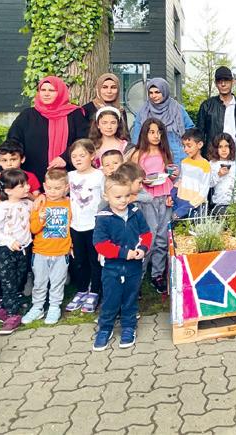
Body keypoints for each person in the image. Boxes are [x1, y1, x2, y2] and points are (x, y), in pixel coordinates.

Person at [92, 173, 153, 351]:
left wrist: (142, 249)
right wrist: (124, 253)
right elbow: (100, 244)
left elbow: (146, 234)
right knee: (110, 299)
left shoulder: (135, 212)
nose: (123, 200)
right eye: (118, 197)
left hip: (134, 267)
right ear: (106, 196)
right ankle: (105, 328)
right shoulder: (103, 217)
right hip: (112, 267)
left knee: (130, 298)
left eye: (127, 196)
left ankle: (128, 327)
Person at [7, 76, 90, 183]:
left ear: (60, 92)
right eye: (43, 90)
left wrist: (65, 157)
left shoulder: (74, 114)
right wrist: (1, 168)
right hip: (31, 178)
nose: (46, 94)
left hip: (67, 176)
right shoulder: (27, 115)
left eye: (51, 90)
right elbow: (12, 143)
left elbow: (83, 141)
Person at [129, 119, 176, 294]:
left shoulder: (165, 152)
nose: (156, 136)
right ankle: (138, 277)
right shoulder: (138, 154)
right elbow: (132, 177)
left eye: (159, 132)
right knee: (149, 236)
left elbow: (169, 177)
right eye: (152, 132)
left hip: (164, 197)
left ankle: (157, 275)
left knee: (162, 238)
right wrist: (143, 181)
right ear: (145, 133)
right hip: (147, 199)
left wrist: (172, 185)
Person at [23, 168, 71, 325]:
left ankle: (54, 307)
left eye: (57, 188)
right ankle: (37, 307)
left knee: (57, 282)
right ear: (44, 186)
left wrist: (72, 245)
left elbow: (73, 226)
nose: (53, 191)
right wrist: (41, 220)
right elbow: (33, 229)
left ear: (66, 187)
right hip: (41, 251)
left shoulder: (70, 203)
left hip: (61, 251)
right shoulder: (39, 204)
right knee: (39, 282)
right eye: (49, 188)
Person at [0, 169, 32, 335]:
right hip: (5, 251)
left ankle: (6, 306)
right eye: (21, 186)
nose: (27, 187)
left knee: (20, 278)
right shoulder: (2, 208)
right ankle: (12, 316)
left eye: (26, 183)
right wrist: (9, 241)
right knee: (9, 283)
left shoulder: (27, 204)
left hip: (24, 249)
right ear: (8, 190)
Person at [65, 139, 105, 314]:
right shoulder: (70, 176)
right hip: (76, 226)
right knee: (79, 260)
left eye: (82, 155)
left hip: (94, 225)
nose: (78, 159)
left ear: (92, 155)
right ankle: (82, 290)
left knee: (95, 260)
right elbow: (57, 192)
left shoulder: (99, 176)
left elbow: (106, 197)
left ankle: (95, 291)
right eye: (74, 156)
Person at [130, 77, 194, 167]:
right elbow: (137, 136)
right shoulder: (143, 111)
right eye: (151, 93)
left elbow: (190, 130)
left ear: (165, 91)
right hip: (151, 155)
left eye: (157, 92)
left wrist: (188, 148)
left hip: (176, 154)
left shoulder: (177, 108)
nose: (153, 96)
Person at [196, 66, 236, 147]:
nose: (223, 84)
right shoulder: (207, 106)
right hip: (213, 152)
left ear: (233, 81)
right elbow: (199, 134)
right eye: (219, 81)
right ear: (215, 83)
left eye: (226, 80)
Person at [0, 140, 42, 214]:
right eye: (4, 160)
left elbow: (38, 200)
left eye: (13, 159)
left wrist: (26, 194)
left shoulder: (30, 177)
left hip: (27, 217)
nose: (9, 164)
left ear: (22, 159)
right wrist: (4, 196)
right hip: (5, 218)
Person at [176, 128, 211, 219]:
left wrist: (188, 207)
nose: (185, 149)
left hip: (196, 207)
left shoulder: (205, 165)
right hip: (180, 203)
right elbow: (180, 180)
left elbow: (204, 191)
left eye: (189, 146)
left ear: (200, 145)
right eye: (184, 146)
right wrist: (172, 195)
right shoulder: (184, 162)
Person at [208, 133, 236, 216]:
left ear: (231, 147)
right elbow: (209, 184)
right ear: (215, 149)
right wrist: (219, 174)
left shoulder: (235, 163)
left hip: (235, 203)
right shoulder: (212, 164)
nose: (224, 150)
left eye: (226, 146)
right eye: (220, 147)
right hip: (219, 203)